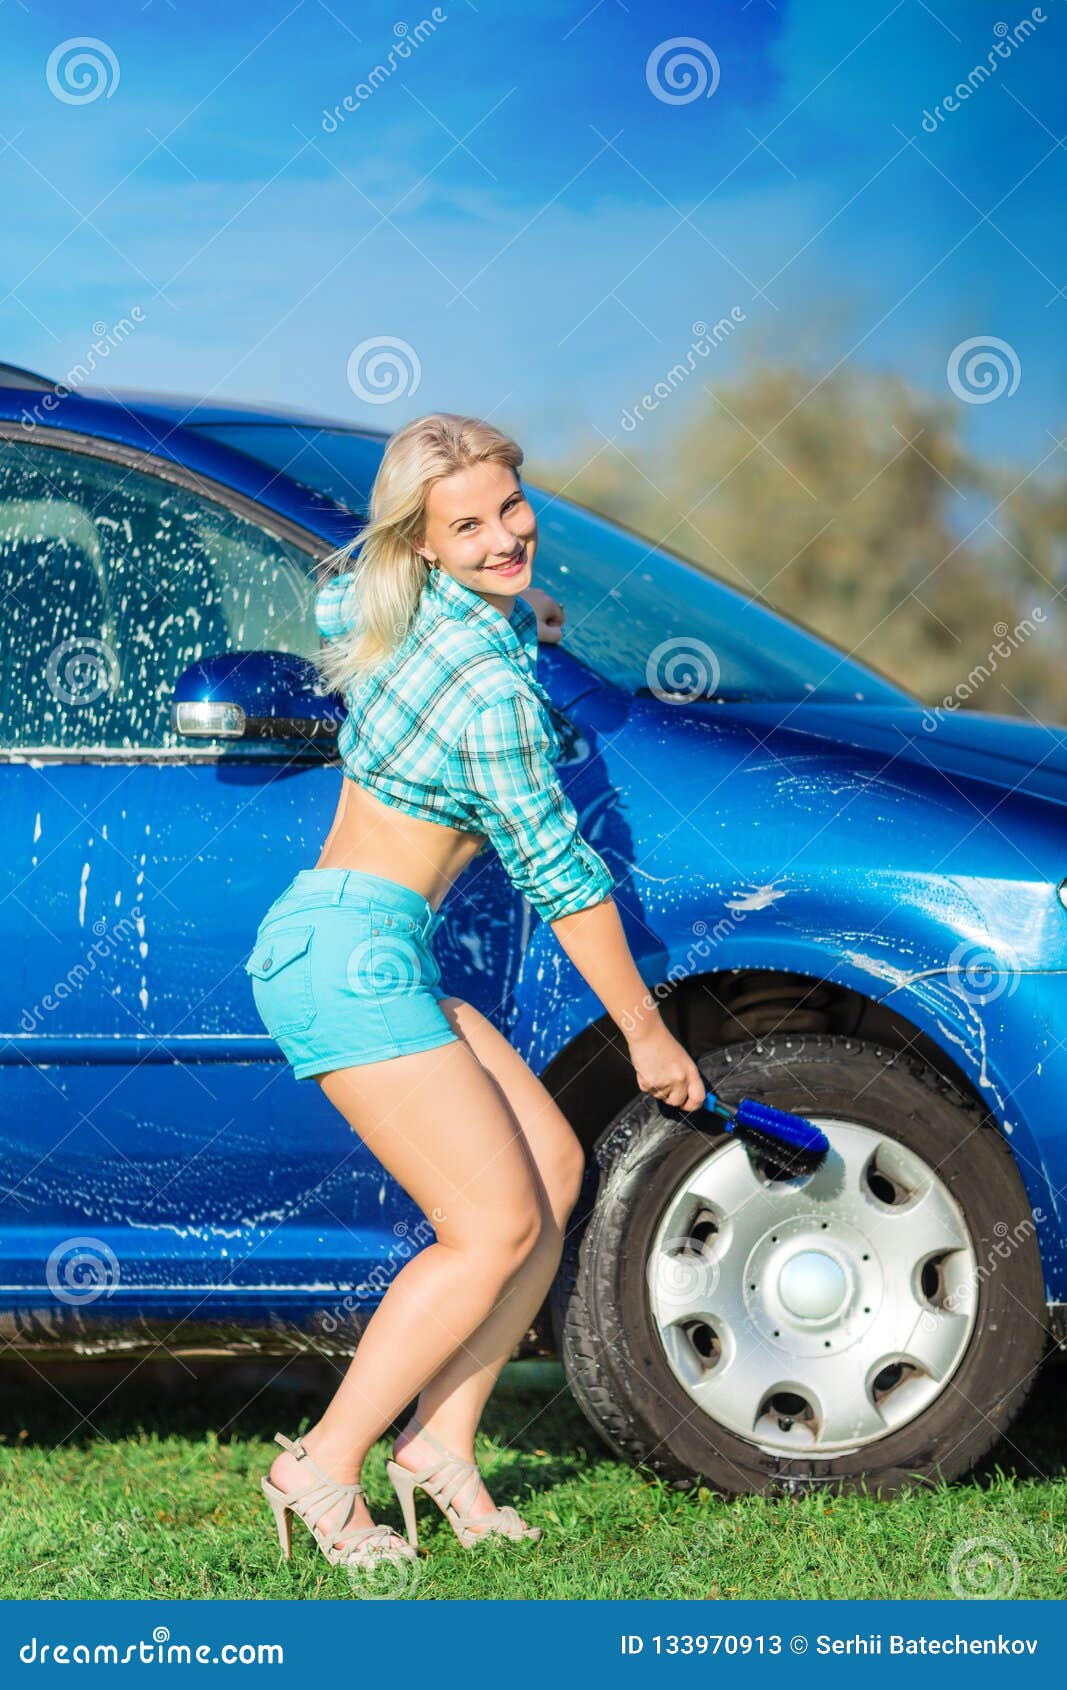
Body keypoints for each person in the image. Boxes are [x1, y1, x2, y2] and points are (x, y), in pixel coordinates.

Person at [249, 412, 705, 1571]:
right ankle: (322, 1460)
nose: (506, 535)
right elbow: (561, 876)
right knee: (489, 1224)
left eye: (511, 507)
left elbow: (332, 598)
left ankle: (436, 1444)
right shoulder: (490, 695)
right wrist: (646, 1036)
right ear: (425, 537)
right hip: (347, 958)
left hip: (365, 944)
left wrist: (520, 617)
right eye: (470, 524)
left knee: (552, 1173)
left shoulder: (407, 608)